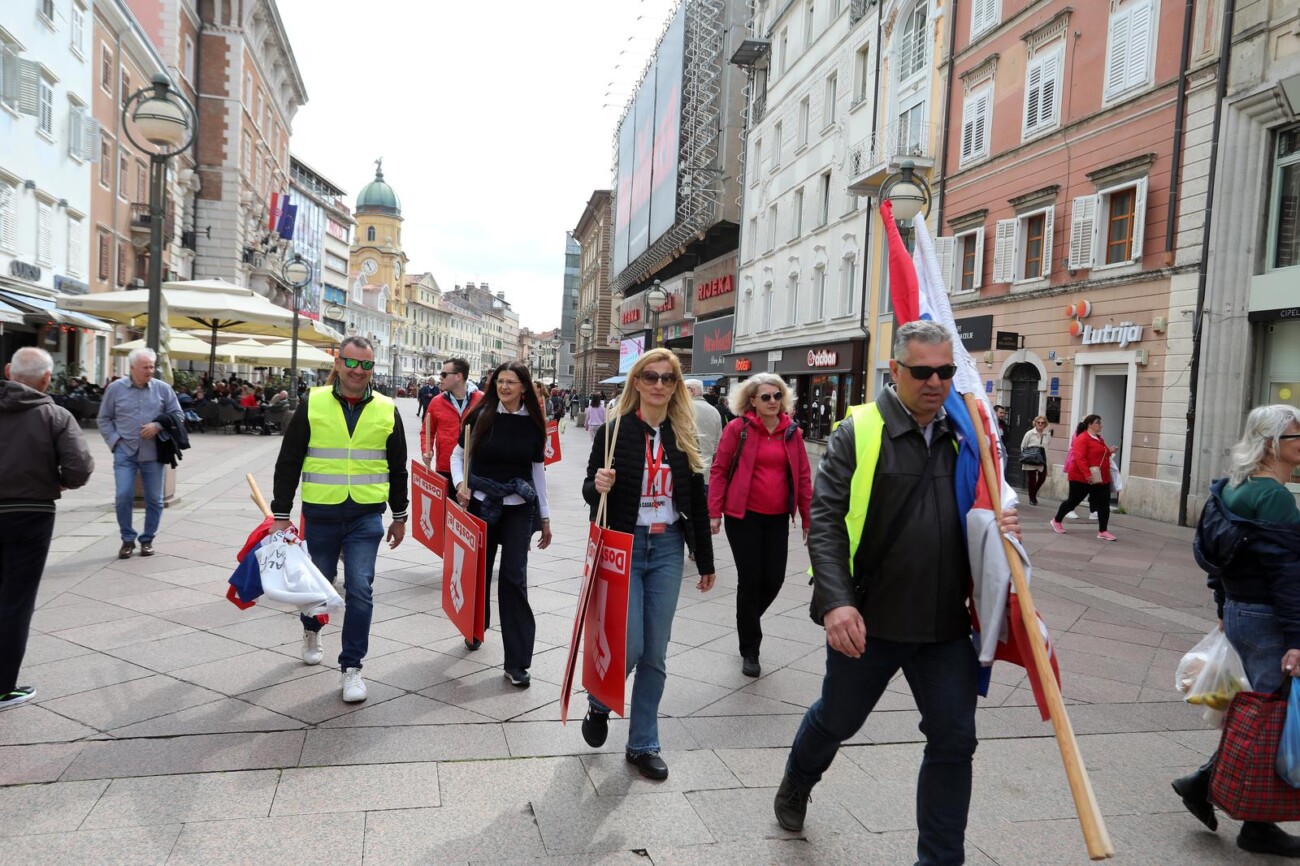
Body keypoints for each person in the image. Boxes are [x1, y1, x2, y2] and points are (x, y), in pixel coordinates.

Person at [774, 321, 1020, 865]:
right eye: (923, 371)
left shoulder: (968, 433)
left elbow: (984, 507)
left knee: (955, 741)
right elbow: (826, 520)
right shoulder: (858, 431)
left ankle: (939, 860)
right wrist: (837, 601)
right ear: (895, 371)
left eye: (946, 372)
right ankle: (798, 778)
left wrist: (1001, 526)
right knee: (838, 718)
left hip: (946, 626)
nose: (936, 382)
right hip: (871, 619)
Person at [580, 348, 716, 780]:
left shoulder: (683, 432)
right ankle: (600, 700)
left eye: (668, 378)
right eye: (651, 377)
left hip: (668, 547)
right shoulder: (615, 431)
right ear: (636, 382)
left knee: (656, 652)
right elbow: (589, 486)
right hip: (625, 545)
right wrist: (597, 484)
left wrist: (705, 559)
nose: (659, 384)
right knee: (632, 644)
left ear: (676, 387)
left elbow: (696, 498)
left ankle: (642, 744)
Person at [1173, 404, 1300, 857]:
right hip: (1268, 619)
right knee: (1270, 715)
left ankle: (1203, 783)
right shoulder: (1276, 498)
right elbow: (1287, 575)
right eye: (1294, 436)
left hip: (1244, 615)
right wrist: (1296, 639)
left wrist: (1226, 605)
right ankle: (1256, 825)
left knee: (1256, 712)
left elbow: (1214, 558)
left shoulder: (1229, 489)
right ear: (1271, 444)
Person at [271, 336, 408, 703]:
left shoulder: (386, 408)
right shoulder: (312, 403)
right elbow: (289, 460)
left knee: (361, 589)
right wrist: (281, 514)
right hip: (322, 514)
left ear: (372, 368)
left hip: (366, 516)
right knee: (318, 588)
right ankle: (311, 630)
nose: (357, 371)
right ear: (338, 363)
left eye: (365, 365)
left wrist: (400, 515)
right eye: (351, 363)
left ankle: (352, 668)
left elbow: (398, 468)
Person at [0, 348, 94, 709]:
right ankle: (3, 686)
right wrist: (56, 480)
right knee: (15, 601)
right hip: (30, 512)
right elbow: (79, 468)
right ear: (45, 380)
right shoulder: (54, 416)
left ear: (8, 371)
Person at [450, 362, 552, 684]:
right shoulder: (481, 416)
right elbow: (457, 457)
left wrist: (545, 517)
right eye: (500, 382)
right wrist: (459, 484)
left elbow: (538, 473)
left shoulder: (535, 424)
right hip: (483, 503)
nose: (504, 387)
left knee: (513, 578)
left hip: (519, 506)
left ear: (525, 387)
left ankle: (516, 662)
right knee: (479, 570)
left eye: (511, 382)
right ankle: (475, 627)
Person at [708, 373, 812, 678]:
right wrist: (714, 511)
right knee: (750, 579)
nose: (772, 401)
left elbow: (804, 477)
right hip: (743, 517)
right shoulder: (737, 429)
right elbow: (719, 470)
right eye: (765, 396)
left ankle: (746, 620)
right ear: (752, 400)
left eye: (777, 396)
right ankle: (750, 648)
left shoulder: (792, 433)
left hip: (778, 517)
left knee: (775, 579)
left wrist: (808, 517)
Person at [97, 348, 184, 559]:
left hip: (153, 453)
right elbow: (104, 419)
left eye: (152, 366)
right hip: (124, 452)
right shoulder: (115, 389)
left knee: (154, 499)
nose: (150, 370)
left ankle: (147, 540)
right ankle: (127, 539)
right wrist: (115, 441)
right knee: (123, 496)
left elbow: (178, 414)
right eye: (145, 367)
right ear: (132, 368)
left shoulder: (162, 389)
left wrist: (157, 425)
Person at [1050, 415, 1118, 541]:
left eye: (1100, 422)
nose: (1101, 425)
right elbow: (1080, 458)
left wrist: (1110, 451)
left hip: (1100, 477)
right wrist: (1087, 475)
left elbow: (1100, 454)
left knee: (1104, 504)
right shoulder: (1082, 438)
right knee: (1073, 502)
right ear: (1090, 424)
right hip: (1080, 477)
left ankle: (1103, 531)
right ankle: (1056, 520)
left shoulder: (1099, 438)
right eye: (1098, 423)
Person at [421, 358, 482, 484]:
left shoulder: (481, 399)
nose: (440, 378)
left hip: (475, 468)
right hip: (445, 467)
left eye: (444, 375)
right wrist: (426, 450)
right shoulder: (437, 402)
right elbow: (427, 431)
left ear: (459, 376)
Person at [685, 379, 723, 494]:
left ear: (691, 391)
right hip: (707, 473)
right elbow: (719, 443)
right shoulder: (714, 411)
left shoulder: (683, 409)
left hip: (687, 472)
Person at [1019, 415, 1051, 506]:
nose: (1040, 424)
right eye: (1038, 422)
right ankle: (1032, 498)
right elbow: (1023, 446)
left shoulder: (1047, 434)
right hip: (1031, 459)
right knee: (1032, 479)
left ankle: (1033, 493)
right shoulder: (1029, 433)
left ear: (1045, 424)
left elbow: (1047, 446)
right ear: (1035, 423)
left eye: (1042, 423)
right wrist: (1025, 456)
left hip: (1042, 459)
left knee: (1042, 478)